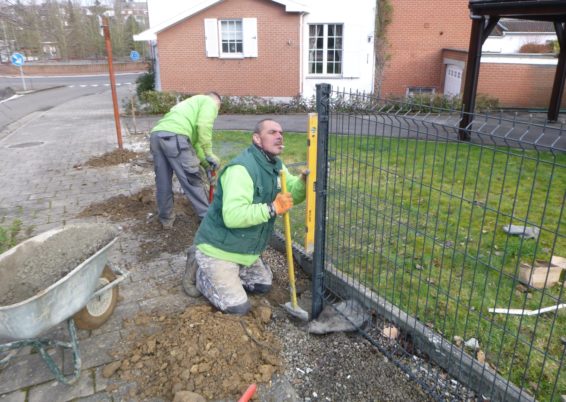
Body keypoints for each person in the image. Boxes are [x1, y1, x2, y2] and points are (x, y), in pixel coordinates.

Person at [183, 119, 307, 314]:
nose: (279, 136)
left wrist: (303, 182)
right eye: (272, 132)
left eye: (281, 133)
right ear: (257, 139)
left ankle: (227, 272)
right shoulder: (241, 170)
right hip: (218, 248)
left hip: (243, 248)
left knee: (262, 286)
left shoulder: (276, 165)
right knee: (237, 307)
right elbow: (232, 216)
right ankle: (201, 269)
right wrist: (272, 208)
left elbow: (291, 191)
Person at [149, 92, 221, 229]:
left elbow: (195, 145)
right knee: (192, 179)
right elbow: (204, 125)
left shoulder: (189, 106)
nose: (215, 112)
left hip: (157, 136)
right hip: (175, 137)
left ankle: (166, 219)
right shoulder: (209, 102)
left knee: (163, 182)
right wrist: (209, 153)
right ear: (217, 103)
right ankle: (208, 221)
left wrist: (206, 165)